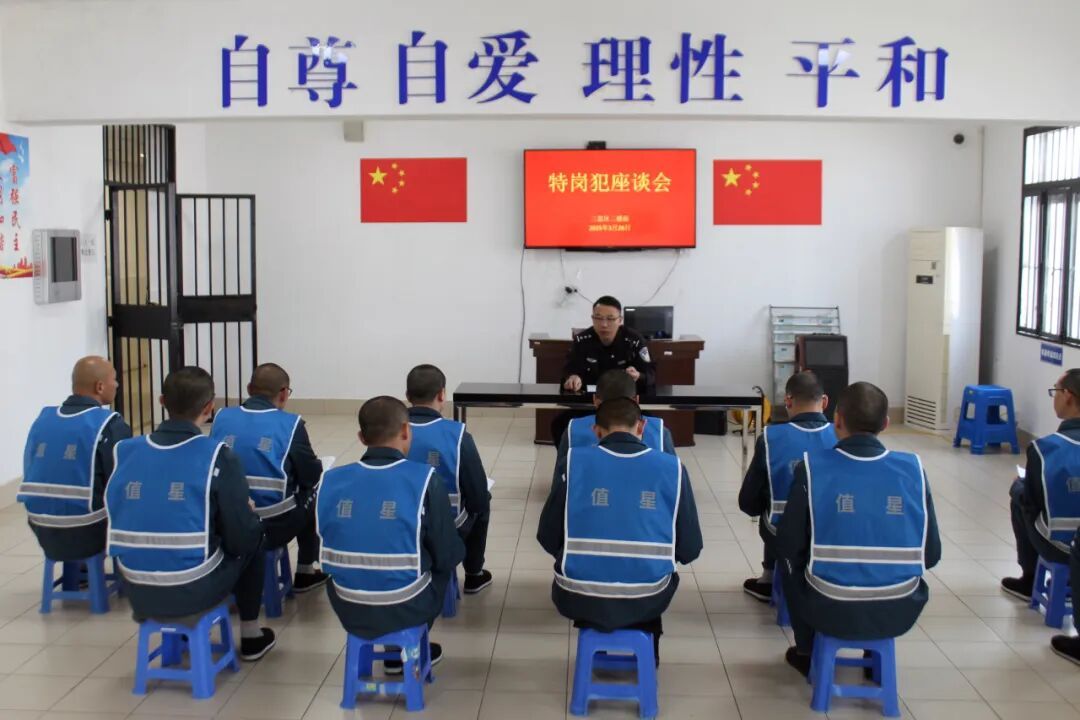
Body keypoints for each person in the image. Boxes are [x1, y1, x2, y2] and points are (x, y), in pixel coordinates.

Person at [104, 367, 275, 661]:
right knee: (253, 536)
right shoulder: (217, 456)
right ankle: (250, 634)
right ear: (209, 408)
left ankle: (188, 631)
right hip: (191, 588)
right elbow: (240, 539)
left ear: (162, 401)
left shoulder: (125, 451)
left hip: (135, 587)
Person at [775, 382, 941, 676]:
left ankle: (806, 651)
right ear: (886, 423)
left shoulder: (812, 468)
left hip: (828, 607)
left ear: (837, 419)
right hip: (900, 607)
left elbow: (789, 543)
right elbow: (930, 555)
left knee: (789, 561)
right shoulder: (912, 470)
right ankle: (874, 659)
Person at [537, 397, 702, 664]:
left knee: (592, 585)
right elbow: (690, 549)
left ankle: (595, 644)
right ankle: (649, 652)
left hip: (577, 594)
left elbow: (547, 536)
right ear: (642, 427)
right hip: (649, 595)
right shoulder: (672, 468)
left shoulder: (573, 463)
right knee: (654, 577)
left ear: (595, 430)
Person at [317, 396, 465, 673]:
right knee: (443, 561)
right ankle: (406, 649)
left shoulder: (331, 480)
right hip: (407, 606)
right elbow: (445, 554)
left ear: (361, 438)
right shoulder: (425, 479)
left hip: (347, 605)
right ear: (407, 431)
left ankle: (392, 652)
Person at [210, 363, 329, 593]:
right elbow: (309, 474)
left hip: (225, 523)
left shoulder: (222, 416)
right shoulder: (291, 424)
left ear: (249, 389)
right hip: (273, 524)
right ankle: (306, 570)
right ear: (283, 394)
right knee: (312, 489)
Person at [18, 356, 132, 561]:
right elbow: (121, 483)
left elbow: (30, 466)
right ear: (99, 387)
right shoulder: (109, 425)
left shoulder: (43, 419)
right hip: (88, 531)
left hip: (40, 526)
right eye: (114, 379)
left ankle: (80, 569)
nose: (117, 384)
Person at [738, 371, 835, 601]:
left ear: (788, 401)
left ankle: (769, 577)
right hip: (832, 529)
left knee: (771, 503)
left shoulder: (771, 437)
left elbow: (748, 502)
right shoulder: (840, 435)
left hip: (781, 534)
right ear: (824, 402)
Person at [404, 364, 493, 594]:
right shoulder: (457, 434)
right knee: (483, 502)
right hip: (449, 526)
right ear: (442, 394)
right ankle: (474, 573)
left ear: (407, 396)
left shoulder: (393, 431)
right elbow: (477, 495)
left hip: (402, 520)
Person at [1001, 369, 1080, 602]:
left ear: (1068, 395)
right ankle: (1071, 581)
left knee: (1020, 495)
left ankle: (1029, 578)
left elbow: (1031, 501)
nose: (1054, 397)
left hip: (1063, 548)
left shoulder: (1045, 449)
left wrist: (1018, 487)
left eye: (1055, 391)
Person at [555, 295, 656, 443]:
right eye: (598, 318)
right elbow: (569, 369)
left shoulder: (634, 341)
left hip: (626, 406)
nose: (603, 324)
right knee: (559, 425)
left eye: (610, 319)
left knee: (655, 428)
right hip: (591, 404)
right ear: (592, 318)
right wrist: (572, 377)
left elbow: (651, 374)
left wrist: (638, 376)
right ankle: (573, 457)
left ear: (620, 320)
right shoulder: (582, 341)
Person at [553, 368, 675, 484]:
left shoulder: (573, 431)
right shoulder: (660, 432)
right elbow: (674, 481)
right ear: (636, 400)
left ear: (595, 401)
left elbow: (561, 483)